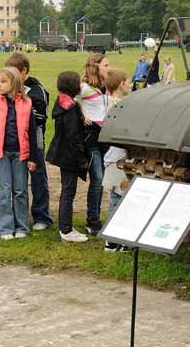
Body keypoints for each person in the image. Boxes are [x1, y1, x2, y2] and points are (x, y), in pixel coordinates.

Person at [0, 67, 37, 240]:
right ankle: (5, 228)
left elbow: (32, 133)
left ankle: (22, 226)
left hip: (20, 154)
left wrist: (32, 157)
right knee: (4, 191)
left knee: (20, 190)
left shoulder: (27, 104)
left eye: (4, 81)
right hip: (0, 154)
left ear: (15, 83)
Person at [4, 52, 53, 231]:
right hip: (14, 142)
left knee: (38, 176)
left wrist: (20, 112)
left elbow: (40, 117)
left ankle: (42, 216)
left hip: (34, 140)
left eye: (14, 73)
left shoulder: (36, 90)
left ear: (24, 71)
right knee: (18, 180)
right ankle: (19, 215)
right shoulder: (9, 89)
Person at [46, 71, 89, 243]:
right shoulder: (70, 108)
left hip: (64, 153)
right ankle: (66, 229)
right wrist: (81, 159)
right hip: (70, 156)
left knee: (67, 190)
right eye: (78, 83)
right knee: (68, 191)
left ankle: (66, 226)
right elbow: (73, 137)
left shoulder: (63, 103)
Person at [78, 53, 111, 236]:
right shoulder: (84, 87)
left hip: (105, 137)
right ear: (95, 66)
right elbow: (69, 101)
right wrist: (82, 116)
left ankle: (96, 215)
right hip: (91, 138)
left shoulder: (106, 87)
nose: (109, 67)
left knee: (102, 179)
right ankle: (93, 220)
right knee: (97, 178)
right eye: (106, 65)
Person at [102, 68, 131, 252]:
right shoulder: (119, 105)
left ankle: (113, 240)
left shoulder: (110, 102)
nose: (129, 85)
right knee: (119, 198)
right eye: (127, 81)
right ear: (121, 84)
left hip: (114, 156)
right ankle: (115, 240)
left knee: (116, 197)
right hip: (118, 158)